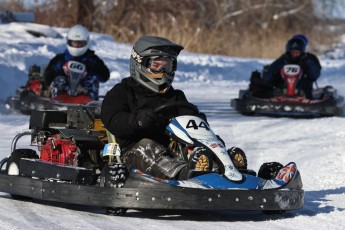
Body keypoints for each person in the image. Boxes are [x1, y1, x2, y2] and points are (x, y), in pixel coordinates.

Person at [101, 36, 218, 180]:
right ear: (140, 63)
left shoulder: (175, 96)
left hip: (170, 154)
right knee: (146, 146)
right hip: (131, 157)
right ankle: (182, 174)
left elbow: (192, 121)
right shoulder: (122, 92)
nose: (163, 71)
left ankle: (221, 168)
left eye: (167, 66)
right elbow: (112, 120)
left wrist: (201, 126)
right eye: (157, 66)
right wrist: (137, 120)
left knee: (194, 147)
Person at [44, 24, 110, 100]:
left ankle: (87, 100)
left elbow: (105, 77)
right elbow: (47, 78)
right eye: (74, 43)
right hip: (63, 95)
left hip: (84, 97)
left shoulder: (92, 59)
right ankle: (59, 98)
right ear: (68, 41)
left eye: (80, 43)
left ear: (86, 42)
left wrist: (92, 68)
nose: (76, 46)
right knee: (59, 79)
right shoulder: (60, 59)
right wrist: (58, 73)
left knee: (92, 79)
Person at [260, 35, 322, 99]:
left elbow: (315, 75)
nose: (295, 55)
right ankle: (279, 93)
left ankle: (302, 94)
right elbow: (273, 68)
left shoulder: (310, 58)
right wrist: (268, 71)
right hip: (283, 87)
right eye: (293, 52)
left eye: (297, 53)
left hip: (304, 88)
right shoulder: (284, 58)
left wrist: (308, 63)